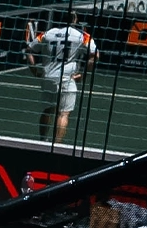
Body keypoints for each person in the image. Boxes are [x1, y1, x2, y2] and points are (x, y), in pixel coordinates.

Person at [28, 15, 97, 143]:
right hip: (66, 79)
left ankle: (42, 140)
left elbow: (29, 49)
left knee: (48, 109)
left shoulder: (48, 33)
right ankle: (57, 144)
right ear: (75, 20)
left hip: (48, 77)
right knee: (63, 113)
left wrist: (34, 70)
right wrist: (83, 75)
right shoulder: (81, 36)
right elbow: (95, 54)